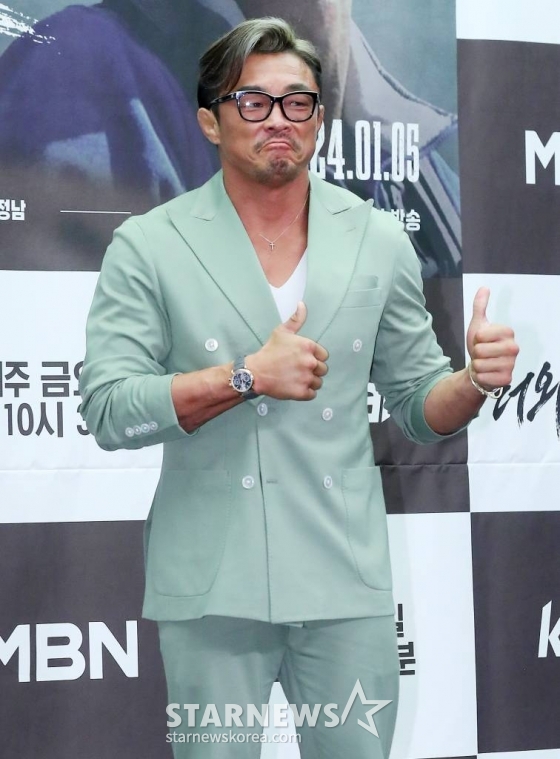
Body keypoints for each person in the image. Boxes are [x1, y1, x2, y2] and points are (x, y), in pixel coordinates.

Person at [79, 18, 518, 758]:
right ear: (210, 122)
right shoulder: (150, 245)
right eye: (253, 102)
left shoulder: (378, 238)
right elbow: (109, 410)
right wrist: (246, 376)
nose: (278, 119)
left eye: (298, 102)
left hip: (343, 583)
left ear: (319, 117)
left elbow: (419, 406)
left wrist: (473, 381)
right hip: (213, 589)